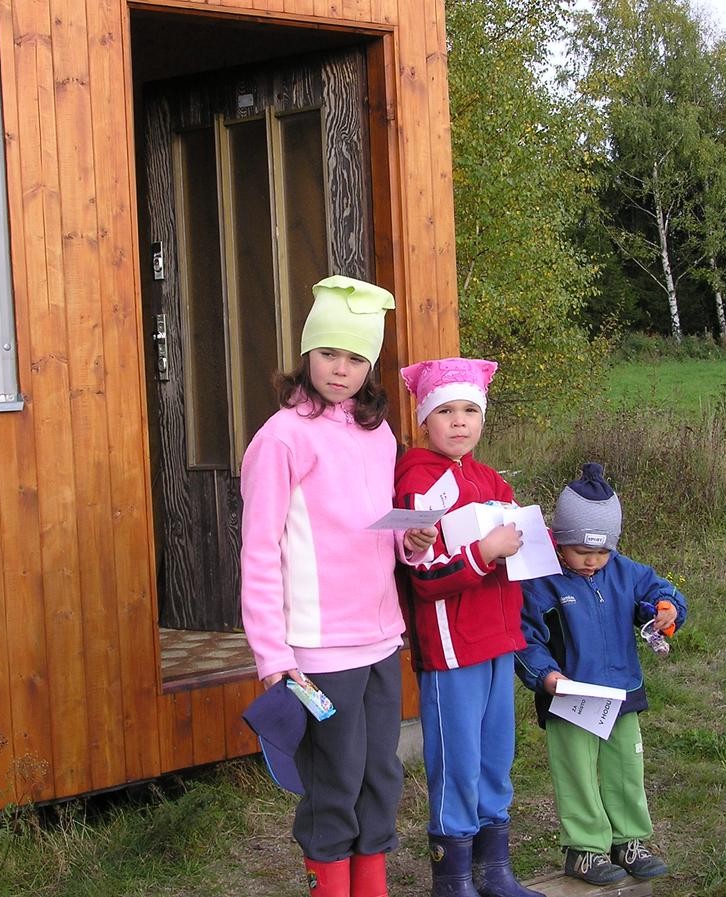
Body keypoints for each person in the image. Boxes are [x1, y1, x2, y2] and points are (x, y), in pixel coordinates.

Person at [240, 275, 435, 897]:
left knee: (380, 777)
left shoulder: (379, 435)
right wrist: (273, 655)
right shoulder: (280, 438)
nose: (341, 369)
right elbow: (259, 552)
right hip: (318, 650)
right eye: (328, 353)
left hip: (380, 639)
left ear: (370, 365)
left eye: (356, 357)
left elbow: (378, 529)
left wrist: (409, 542)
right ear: (307, 354)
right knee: (334, 781)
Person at [393, 357, 543, 897]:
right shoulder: (417, 479)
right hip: (453, 649)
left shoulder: (489, 477)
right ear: (424, 420)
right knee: (457, 761)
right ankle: (453, 877)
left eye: (470, 410)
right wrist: (486, 550)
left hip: (499, 640)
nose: (459, 421)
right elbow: (424, 576)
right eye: (446, 411)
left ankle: (493, 870)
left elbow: (521, 541)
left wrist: (536, 539)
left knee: (496, 755)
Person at [515, 463, 685, 885]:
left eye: (602, 552)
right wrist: (546, 676)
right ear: (559, 542)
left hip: (622, 692)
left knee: (626, 767)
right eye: (581, 551)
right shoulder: (540, 583)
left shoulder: (625, 572)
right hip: (569, 698)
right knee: (576, 772)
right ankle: (585, 848)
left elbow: (660, 591)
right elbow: (524, 637)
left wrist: (666, 609)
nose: (592, 561)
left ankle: (628, 840)